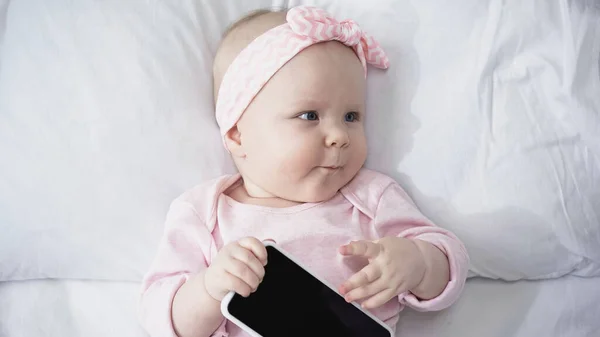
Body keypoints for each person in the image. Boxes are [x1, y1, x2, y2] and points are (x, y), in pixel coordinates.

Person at [138, 5, 469, 337]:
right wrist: (209, 289)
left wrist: (419, 263)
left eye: (351, 116)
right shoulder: (205, 212)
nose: (340, 136)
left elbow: (449, 263)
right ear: (238, 134)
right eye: (310, 115)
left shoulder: (371, 196)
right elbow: (159, 316)